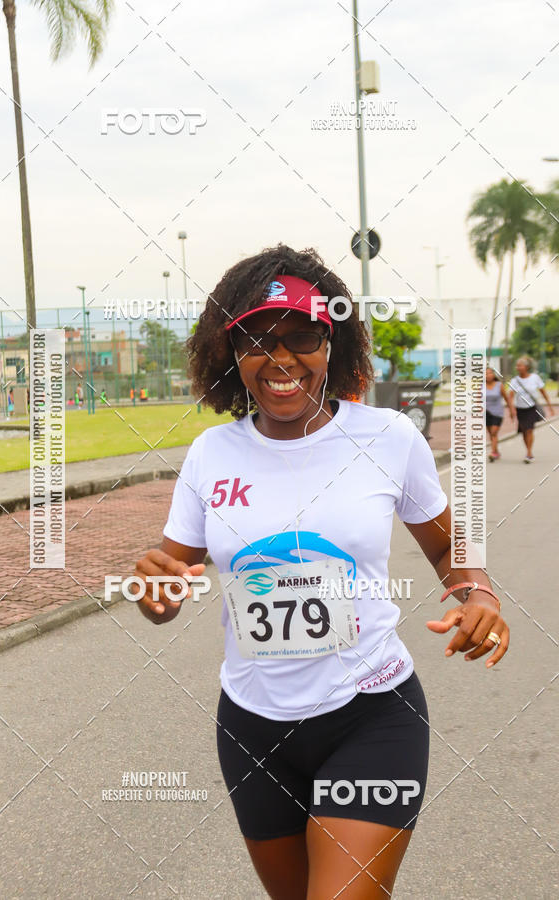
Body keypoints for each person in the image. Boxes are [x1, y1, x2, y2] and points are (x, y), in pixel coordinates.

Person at [134, 246, 509, 899]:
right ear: (230, 354)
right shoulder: (210, 455)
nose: (281, 359)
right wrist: (153, 591)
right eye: (256, 339)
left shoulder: (388, 438)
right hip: (251, 726)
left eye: (302, 336)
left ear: (331, 344)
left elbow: (453, 554)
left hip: (370, 715)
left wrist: (478, 594)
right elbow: (166, 581)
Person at [508, 356, 554, 463]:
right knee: (524, 431)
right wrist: (512, 410)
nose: (518, 367)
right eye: (517, 366)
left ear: (526, 367)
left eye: (520, 365)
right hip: (520, 409)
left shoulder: (535, 377)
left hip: (532, 408)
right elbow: (510, 396)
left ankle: (529, 453)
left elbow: (543, 392)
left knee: (529, 430)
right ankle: (528, 450)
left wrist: (550, 405)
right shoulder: (515, 381)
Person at [485, 366, 513, 461]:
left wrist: (511, 410)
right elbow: (477, 400)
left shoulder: (499, 385)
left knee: (493, 433)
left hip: (497, 413)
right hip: (486, 413)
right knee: (491, 434)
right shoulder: (481, 386)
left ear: (493, 375)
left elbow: (506, 398)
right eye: (486, 373)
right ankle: (496, 451)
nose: (488, 375)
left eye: (490, 373)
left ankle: (493, 453)